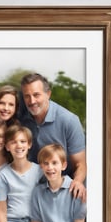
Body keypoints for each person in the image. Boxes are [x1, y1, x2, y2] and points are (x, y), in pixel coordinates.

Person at [18, 73, 87, 201]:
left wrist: (77, 182)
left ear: (48, 94)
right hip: (35, 187)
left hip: (65, 186)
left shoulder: (69, 120)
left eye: (36, 95)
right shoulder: (22, 120)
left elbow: (80, 163)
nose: (32, 101)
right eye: (27, 96)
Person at [30, 144, 86, 222]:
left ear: (63, 166)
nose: (50, 167)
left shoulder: (76, 190)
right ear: (41, 166)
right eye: (46, 163)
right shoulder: (37, 192)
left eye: (54, 163)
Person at [0, 123, 42, 222]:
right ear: (7, 147)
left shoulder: (40, 171)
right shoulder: (4, 175)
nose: (19, 146)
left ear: (29, 144)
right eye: (13, 142)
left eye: (23, 141)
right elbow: (1, 210)